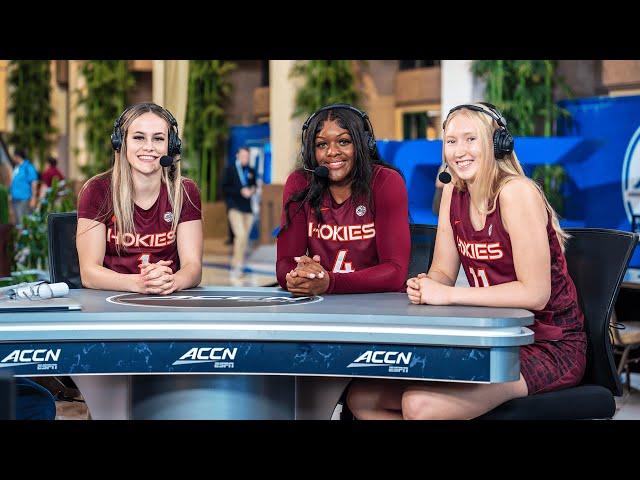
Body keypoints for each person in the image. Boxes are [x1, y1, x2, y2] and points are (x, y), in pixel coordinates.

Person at [346, 102, 587, 419]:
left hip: (548, 346)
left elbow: (535, 292)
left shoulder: (516, 193)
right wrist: (428, 285)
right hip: (492, 340)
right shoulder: (453, 192)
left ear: (496, 143)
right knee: (363, 397)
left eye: (471, 139)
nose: (460, 151)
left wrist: (448, 295)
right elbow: (444, 271)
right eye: (451, 141)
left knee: (420, 405)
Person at [276, 103, 410, 295]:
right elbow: (285, 262)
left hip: (379, 305)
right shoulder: (300, 183)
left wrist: (330, 282)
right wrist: (299, 275)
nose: (332, 152)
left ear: (363, 144)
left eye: (344, 141)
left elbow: (395, 271)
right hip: (323, 305)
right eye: (322, 144)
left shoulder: (385, 182)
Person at [76, 102, 203, 295]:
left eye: (159, 139)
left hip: (167, 302)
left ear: (170, 146)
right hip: (109, 304)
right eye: (139, 138)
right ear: (121, 143)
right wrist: (140, 283)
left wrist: (172, 281)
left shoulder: (184, 191)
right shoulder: (97, 191)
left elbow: (193, 267)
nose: (149, 147)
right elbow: (89, 273)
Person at [222, 146, 256, 281]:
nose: (245, 159)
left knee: (244, 240)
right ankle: (237, 266)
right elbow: (224, 188)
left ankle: (238, 264)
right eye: (242, 156)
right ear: (237, 156)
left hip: (248, 209)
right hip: (234, 207)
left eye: (247, 157)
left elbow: (254, 185)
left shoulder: (251, 170)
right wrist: (240, 191)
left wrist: (251, 191)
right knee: (240, 235)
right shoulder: (230, 170)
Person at [9, 148, 39, 225]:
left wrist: (33, 198)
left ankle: (25, 237)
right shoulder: (17, 167)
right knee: (18, 222)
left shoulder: (28, 167)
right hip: (15, 199)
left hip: (24, 199)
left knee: (24, 222)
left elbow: (34, 183)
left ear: (17, 156)